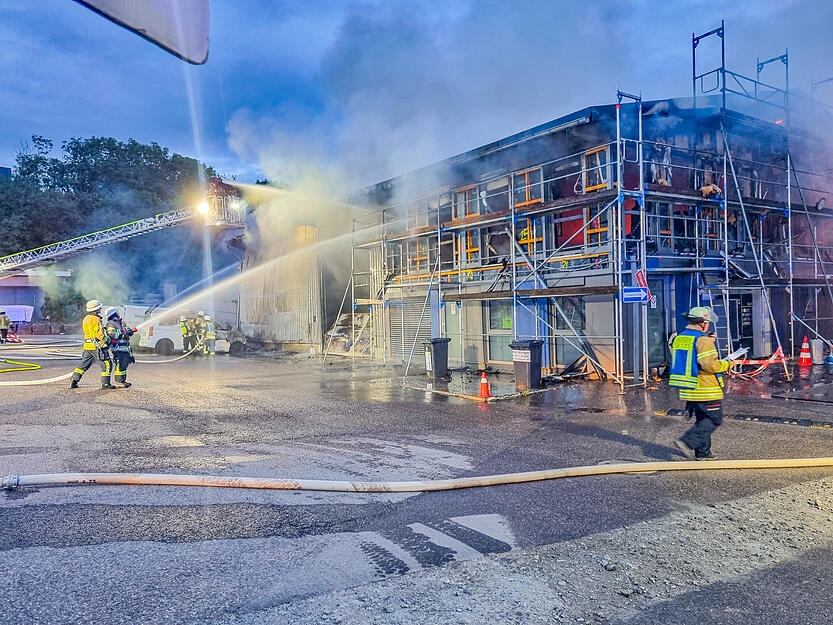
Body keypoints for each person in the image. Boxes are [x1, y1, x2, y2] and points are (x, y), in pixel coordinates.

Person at [669, 306, 740, 460]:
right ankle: (687, 442)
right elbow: (710, 365)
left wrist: (708, 340)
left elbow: (691, 358)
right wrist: (728, 364)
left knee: (703, 420)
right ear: (702, 323)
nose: (708, 325)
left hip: (689, 388)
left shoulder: (681, 337)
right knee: (714, 419)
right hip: (706, 388)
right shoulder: (703, 340)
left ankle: (703, 453)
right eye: (707, 322)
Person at [70, 300, 114, 389]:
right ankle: (105, 384)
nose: (100, 309)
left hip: (88, 346)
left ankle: (74, 381)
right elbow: (99, 334)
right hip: (97, 347)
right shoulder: (96, 319)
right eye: (99, 308)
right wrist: (108, 339)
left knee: (84, 364)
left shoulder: (86, 318)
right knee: (107, 363)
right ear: (96, 309)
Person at [104, 307, 136, 388]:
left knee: (124, 364)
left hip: (125, 347)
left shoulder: (120, 322)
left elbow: (126, 331)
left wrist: (130, 332)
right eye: (117, 312)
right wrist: (123, 335)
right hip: (117, 348)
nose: (119, 313)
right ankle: (119, 381)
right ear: (113, 314)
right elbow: (112, 334)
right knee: (120, 364)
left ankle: (122, 380)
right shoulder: (111, 324)